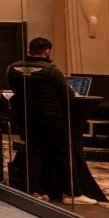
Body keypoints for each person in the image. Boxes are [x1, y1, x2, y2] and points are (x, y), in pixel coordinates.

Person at [6, 37, 106, 205]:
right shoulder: (52, 70)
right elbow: (69, 95)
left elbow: (16, 91)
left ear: (29, 50)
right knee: (64, 154)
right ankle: (71, 193)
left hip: (28, 117)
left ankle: (36, 190)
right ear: (47, 51)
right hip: (51, 117)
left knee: (34, 153)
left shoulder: (13, 68)